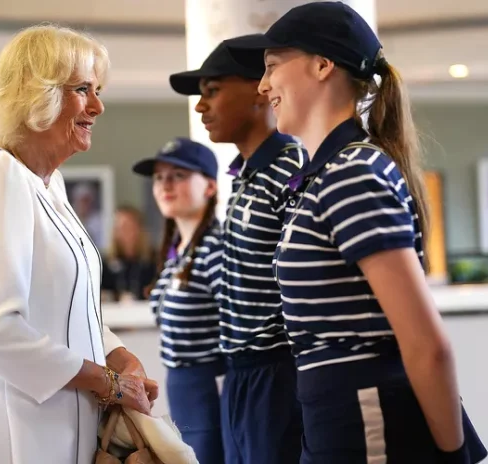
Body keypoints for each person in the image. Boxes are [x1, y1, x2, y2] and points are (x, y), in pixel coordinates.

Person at [226, 3, 488, 463]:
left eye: (271, 67)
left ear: (323, 64)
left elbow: (428, 345)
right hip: (335, 415)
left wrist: (452, 456)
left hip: (367, 415)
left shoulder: (353, 174)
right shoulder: (323, 174)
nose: (263, 85)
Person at [0, 25, 158, 464]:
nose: (98, 105)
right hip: (8, 428)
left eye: (98, 90)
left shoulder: (49, 187)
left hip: (54, 423)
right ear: (37, 94)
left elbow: (69, 308)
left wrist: (120, 356)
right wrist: (106, 382)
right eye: (83, 89)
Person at [169, 36, 306, 464]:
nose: (200, 106)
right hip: (241, 373)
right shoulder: (245, 175)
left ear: (260, 90)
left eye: (212, 91)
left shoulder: (292, 169)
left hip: (279, 371)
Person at [132, 137, 225, 464]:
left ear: (210, 187)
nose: (165, 185)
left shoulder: (217, 248)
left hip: (211, 393)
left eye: (179, 175)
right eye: (159, 177)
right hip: (182, 390)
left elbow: (237, 329)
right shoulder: (178, 252)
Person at [101, 205, 157, 302]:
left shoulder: (154, 260)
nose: (125, 231)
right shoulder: (105, 263)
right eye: (120, 227)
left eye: (130, 226)